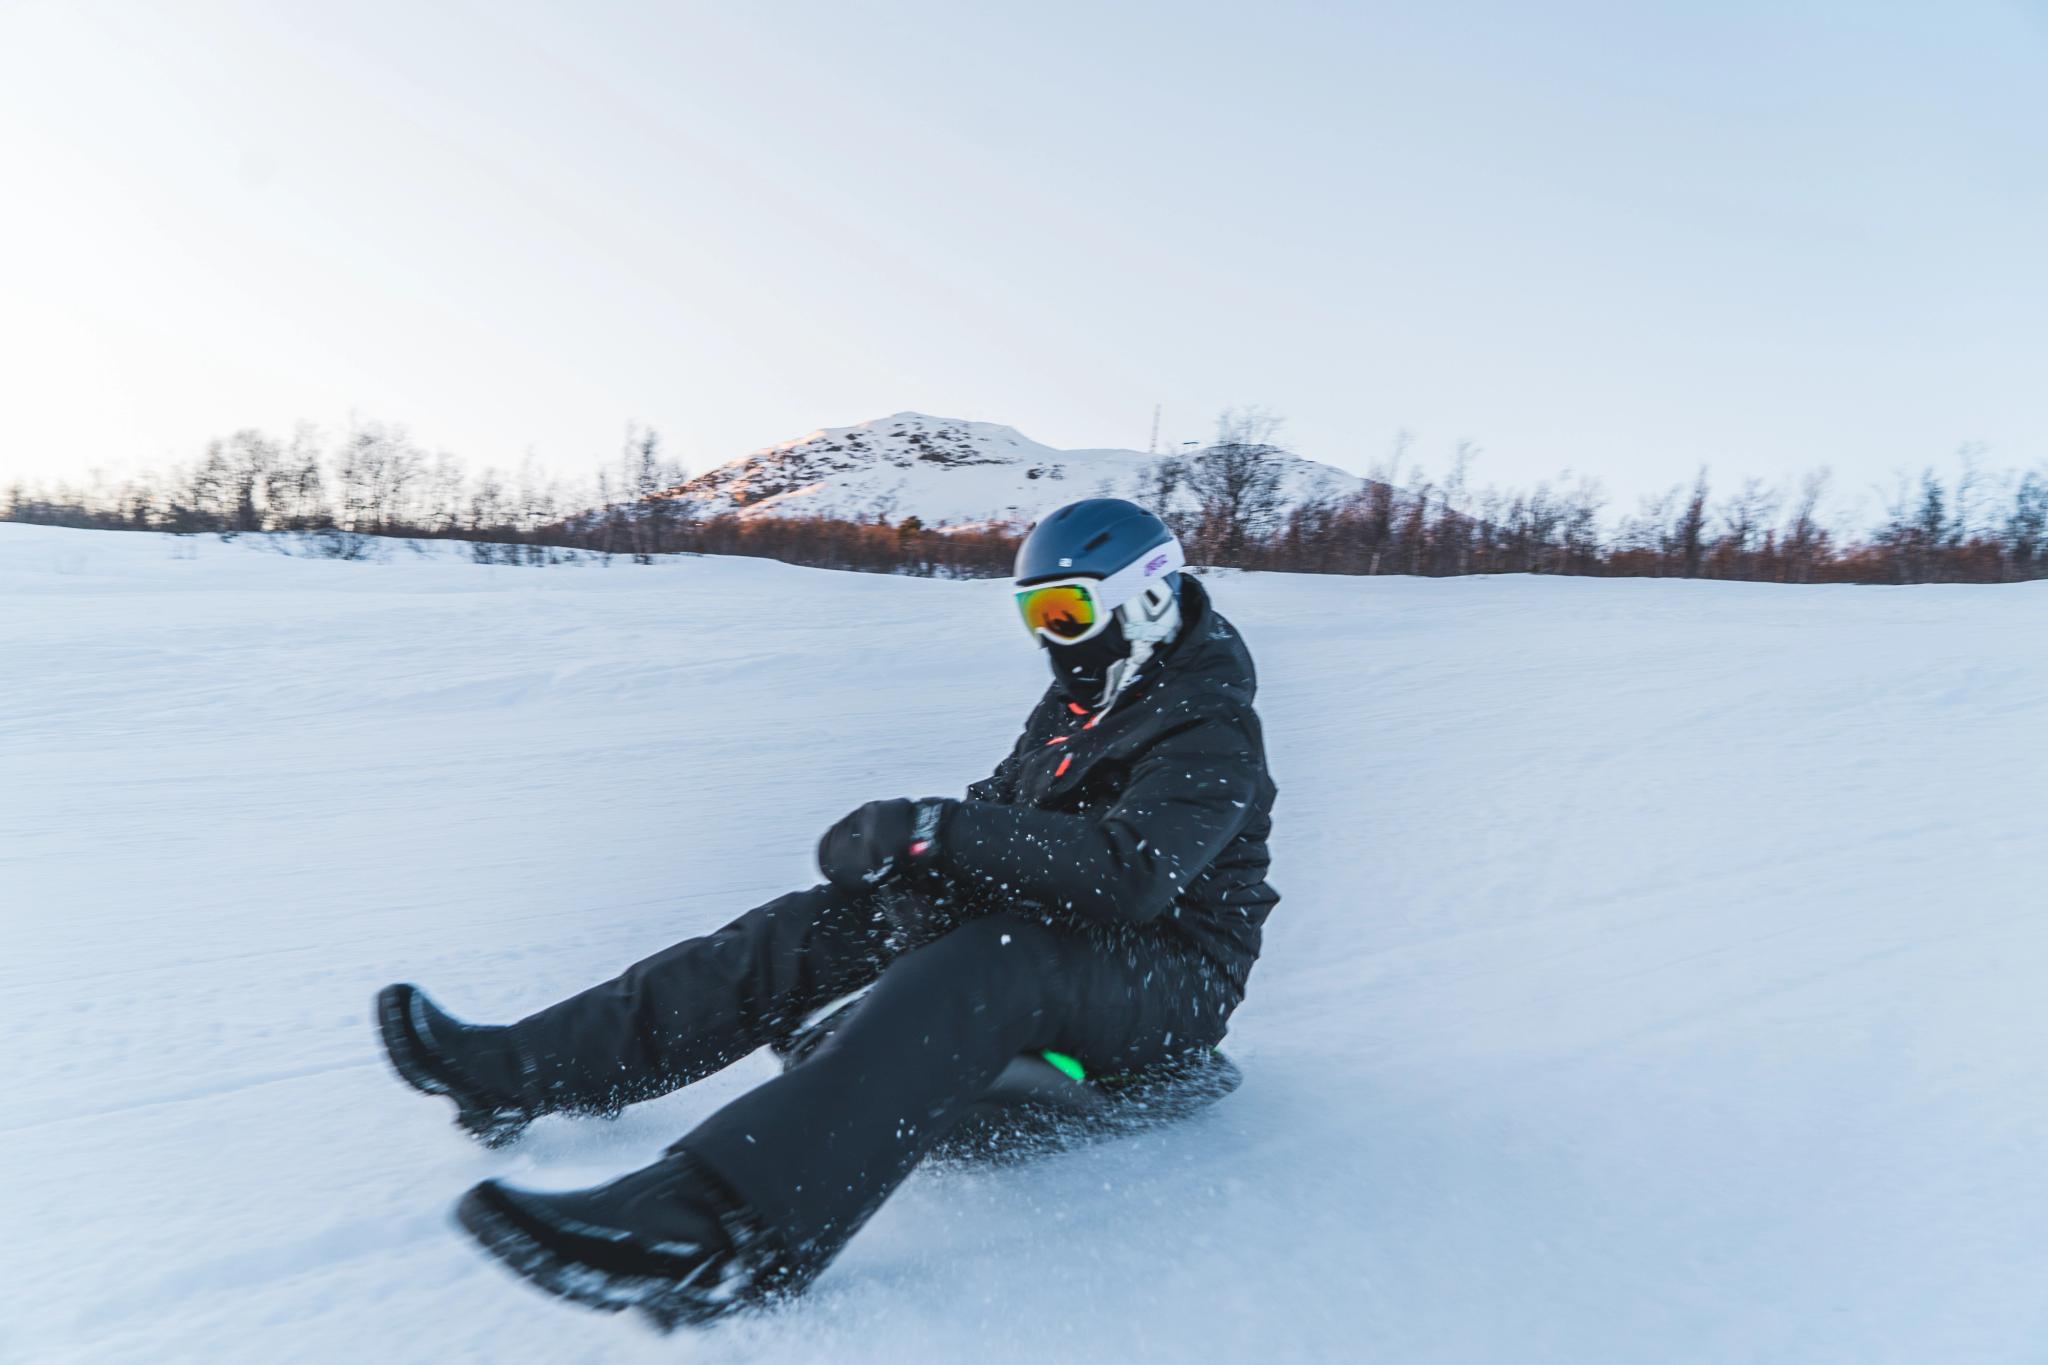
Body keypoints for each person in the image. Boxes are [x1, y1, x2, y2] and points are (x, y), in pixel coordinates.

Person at [374, 497, 1280, 1326]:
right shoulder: (1083, 697)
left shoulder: (1208, 720)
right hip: (1069, 939)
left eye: (1067, 612)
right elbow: (1006, 806)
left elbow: (1133, 875)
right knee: (818, 920)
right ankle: (520, 1068)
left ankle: (721, 1228)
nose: (1050, 639)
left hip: (1171, 976)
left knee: (994, 959)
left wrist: (942, 830)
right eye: (1033, 615)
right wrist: (906, 857)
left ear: (1148, 599)